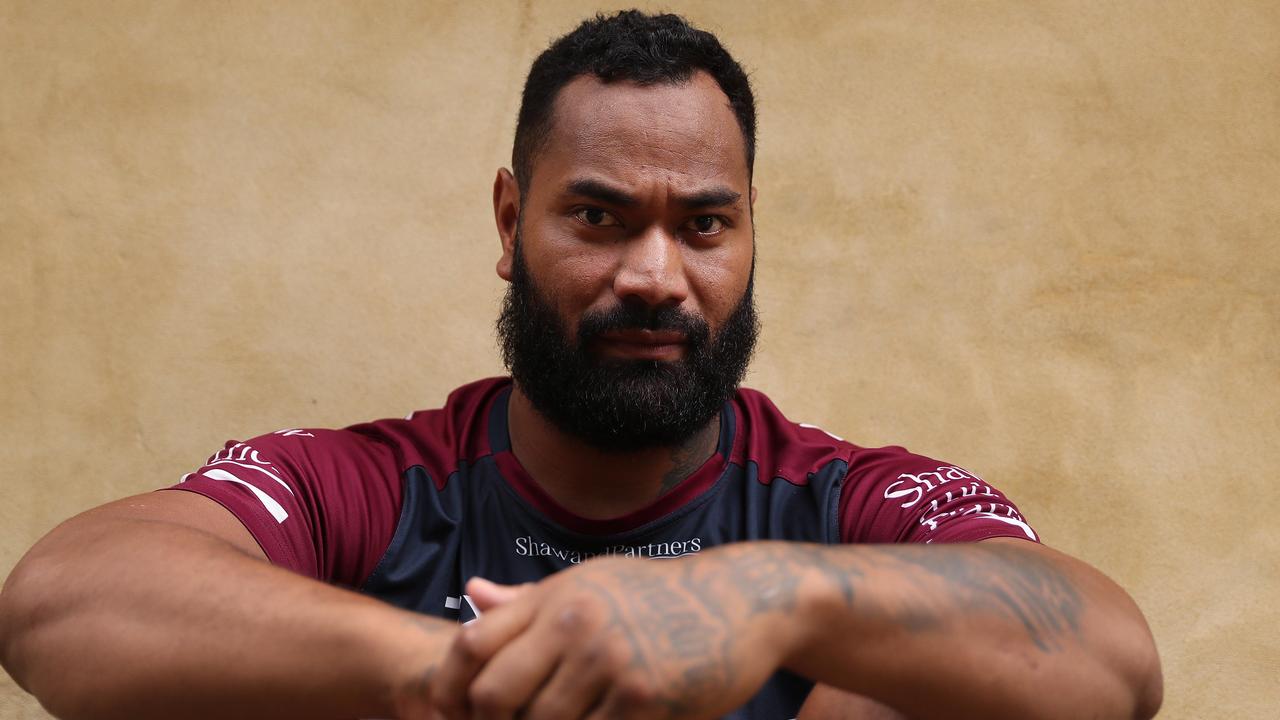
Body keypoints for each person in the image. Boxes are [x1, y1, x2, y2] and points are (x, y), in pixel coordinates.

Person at [0, 10, 1161, 720]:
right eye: (597, 218)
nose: (655, 274)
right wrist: (462, 673)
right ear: (510, 224)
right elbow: (58, 605)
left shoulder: (843, 501)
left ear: (751, 233)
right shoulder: (368, 486)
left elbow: (1109, 663)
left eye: (702, 225)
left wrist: (760, 602)